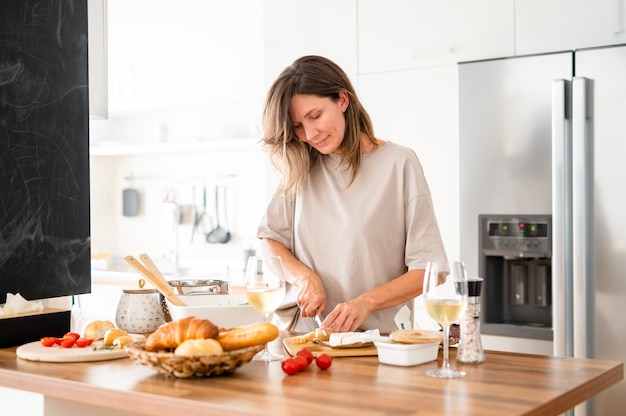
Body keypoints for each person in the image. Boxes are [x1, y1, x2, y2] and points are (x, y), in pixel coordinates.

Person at [256, 55, 449, 334]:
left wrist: (365, 303)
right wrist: (305, 278)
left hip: (376, 343)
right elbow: (269, 241)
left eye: (315, 116)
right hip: (301, 337)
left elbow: (431, 272)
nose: (310, 134)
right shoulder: (301, 166)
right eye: (298, 126)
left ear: (342, 100)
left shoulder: (399, 163)